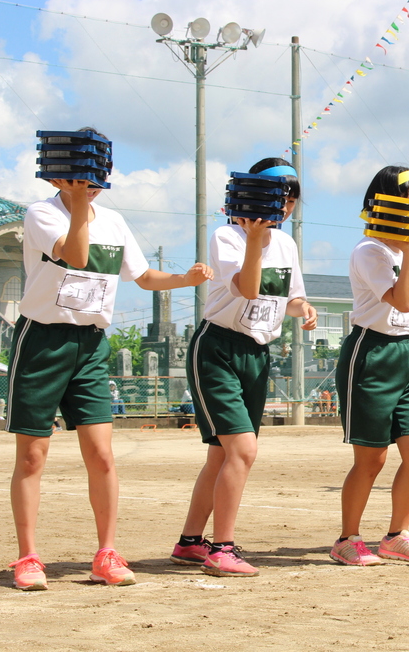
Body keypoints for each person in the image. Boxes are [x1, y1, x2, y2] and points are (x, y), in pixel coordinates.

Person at [9, 132, 212, 591]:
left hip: (91, 344)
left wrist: (185, 277)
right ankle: (28, 557)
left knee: (101, 454)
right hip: (42, 341)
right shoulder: (42, 213)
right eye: (83, 178)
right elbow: (76, 256)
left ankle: (106, 552)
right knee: (33, 455)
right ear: (60, 175)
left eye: (97, 178)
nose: (93, 185)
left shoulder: (115, 221)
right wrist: (78, 202)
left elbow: (142, 276)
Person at [170, 157, 315, 577]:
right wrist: (255, 237)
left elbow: (287, 297)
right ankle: (223, 547)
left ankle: (190, 542)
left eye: (290, 198)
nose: (284, 205)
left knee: (221, 455)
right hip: (217, 348)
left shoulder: (286, 246)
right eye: (276, 196)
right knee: (243, 450)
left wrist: (301, 307)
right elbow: (249, 288)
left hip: (257, 353)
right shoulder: (227, 236)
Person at [333, 166, 409, 566]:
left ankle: (396, 535)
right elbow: (401, 301)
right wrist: (405, 249)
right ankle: (347, 539)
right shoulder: (369, 251)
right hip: (370, 354)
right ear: (382, 202)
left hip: (406, 354)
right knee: (371, 459)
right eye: (408, 197)